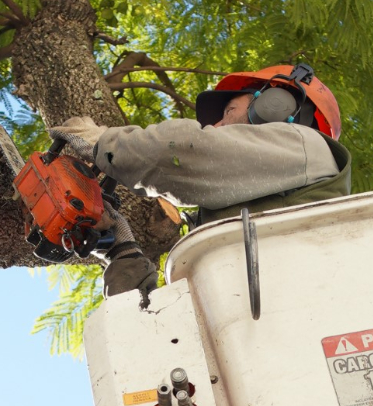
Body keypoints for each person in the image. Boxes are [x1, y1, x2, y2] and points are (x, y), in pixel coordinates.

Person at [50, 63, 351, 299]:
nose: (215, 126)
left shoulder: (306, 147)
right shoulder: (235, 222)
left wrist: (103, 142)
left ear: (276, 105)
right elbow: (166, 334)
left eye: (228, 111)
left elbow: (185, 152)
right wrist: (122, 252)